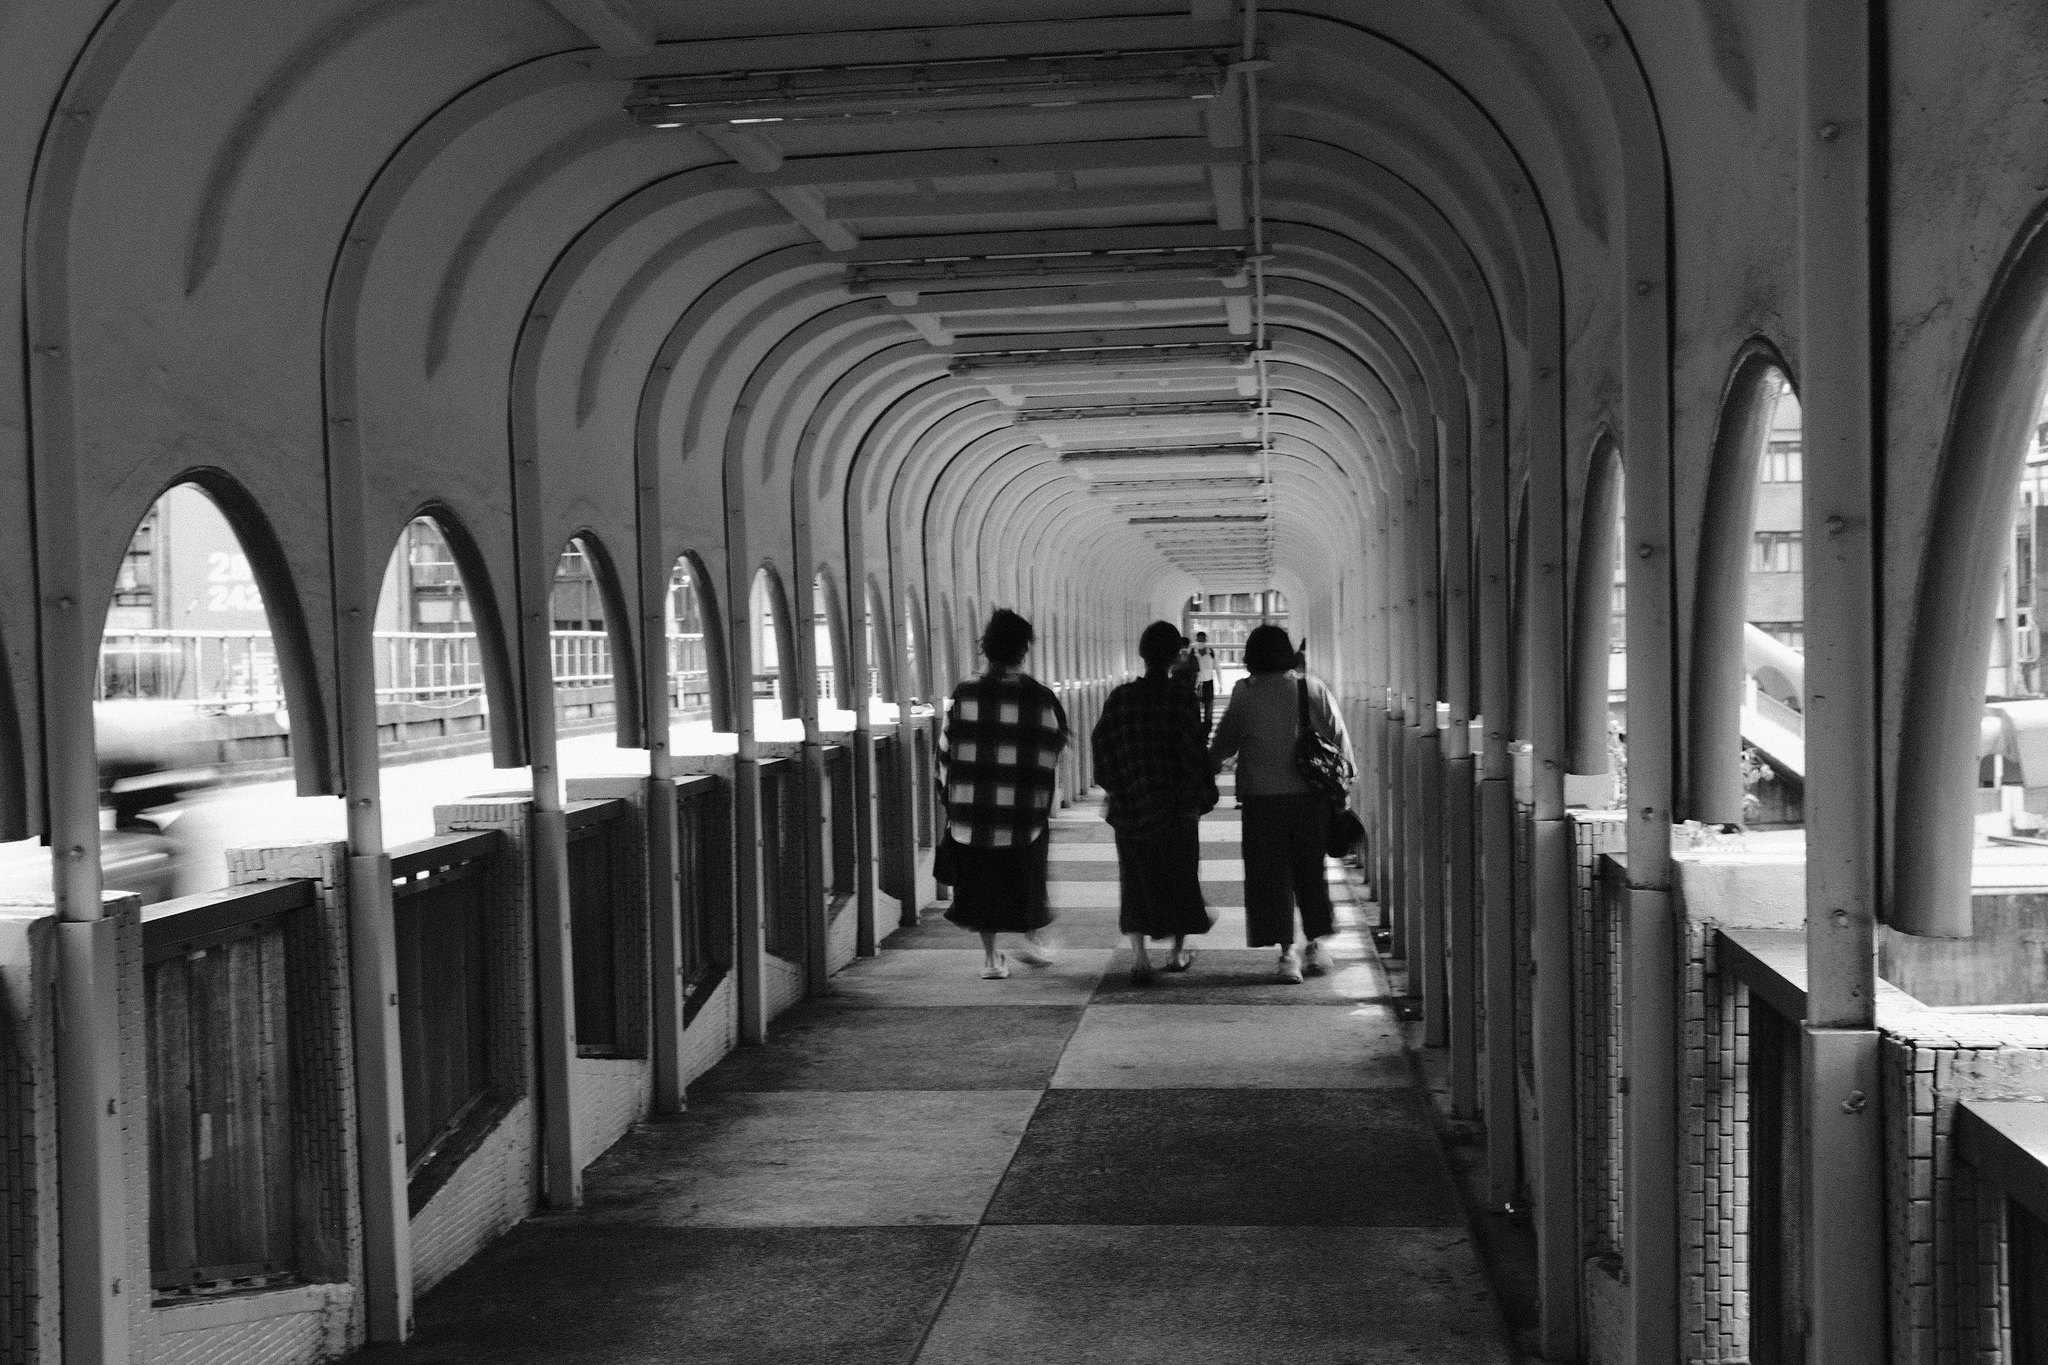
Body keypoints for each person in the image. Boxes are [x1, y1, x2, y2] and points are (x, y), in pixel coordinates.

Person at [1208, 623, 1353, 983]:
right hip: (1310, 801)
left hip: (1262, 803)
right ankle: (1315, 947)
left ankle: (1286, 955)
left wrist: (1208, 768)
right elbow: (1340, 742)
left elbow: (1224, 742)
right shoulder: (1311, 687)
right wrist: (1342, 791)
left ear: (1251, 656)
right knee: (1310, 874)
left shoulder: (1244, 693)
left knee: (1269, 878)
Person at [939, 608, 1071, 979]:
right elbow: (1054, 746)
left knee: (981, 885)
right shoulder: (1039, 697)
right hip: (1023, 813)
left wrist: (950, 800)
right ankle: (1031, 938)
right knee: (1025, 876)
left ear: (987, 647)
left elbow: (945, 754)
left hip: (972, 812)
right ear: (1023, 649)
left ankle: (991, 958)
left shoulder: (963, 694)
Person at [1092, 621, 1219, 985]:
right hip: (1176, 807)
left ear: (1142, 654)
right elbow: (1192, 751)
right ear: (1175, 656)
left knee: (1135, 877)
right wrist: (1197, 797)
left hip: (1131, 805)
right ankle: (1177, 953)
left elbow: (1103, 746)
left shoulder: (1120, 698)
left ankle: (1140, 957)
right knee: (1180, 874)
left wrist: (1118, 787)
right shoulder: (1181, 698)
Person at [1192, 630, 1220, 735]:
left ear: (1205, 640)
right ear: (1196, 640)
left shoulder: (1211, 652)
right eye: (1199, 640)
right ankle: (1199, 735)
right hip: (1197, 685)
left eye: (1202, 640)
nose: (1200, 642)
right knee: (1196, 712)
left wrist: (1220, 683)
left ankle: (1206, 734)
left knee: (1208, 712)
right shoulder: (1193, 653)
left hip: (1208, 684)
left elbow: (1217, 668)